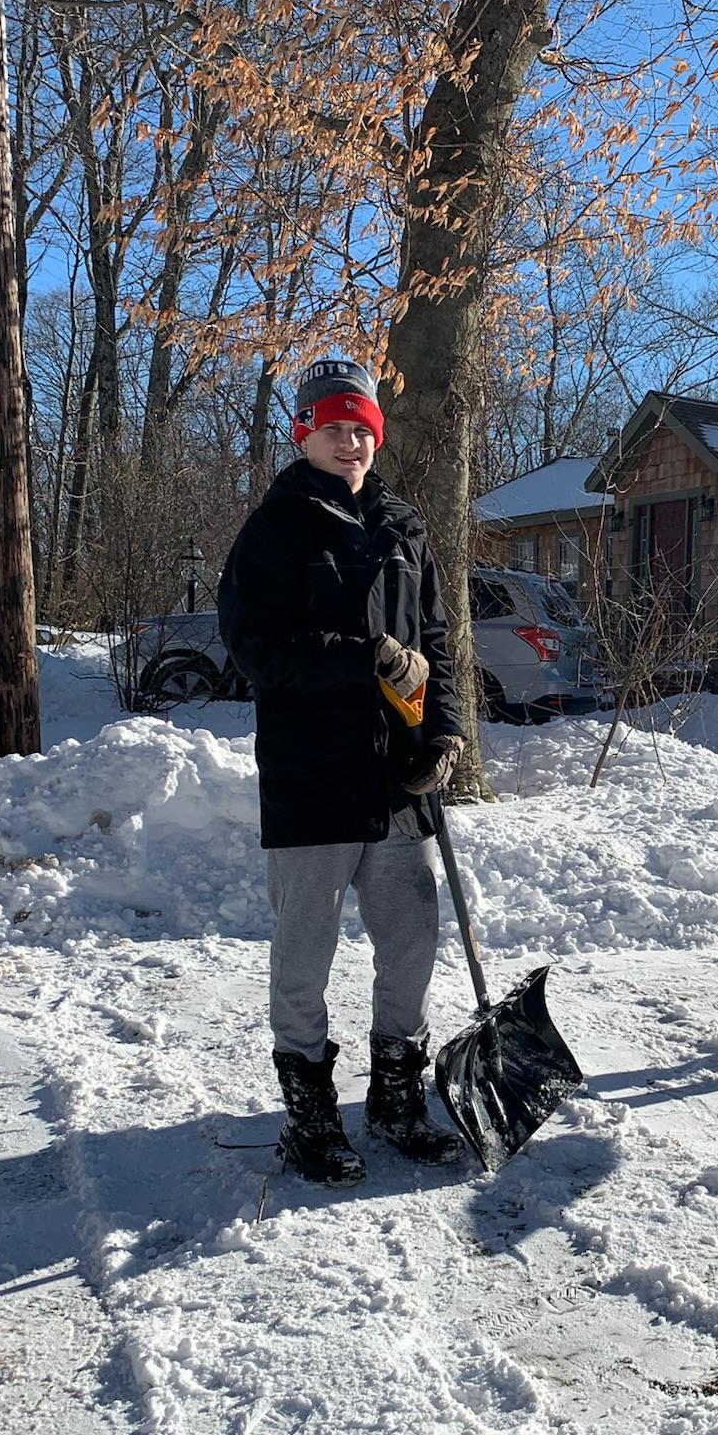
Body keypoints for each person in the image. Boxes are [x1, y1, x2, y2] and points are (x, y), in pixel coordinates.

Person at [218, 357, 467, 1183]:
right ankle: (310, 1113)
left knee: (411, 940)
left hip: (396, 778)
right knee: (304, 950)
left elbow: (437, 642)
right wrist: (362, 660)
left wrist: (445, 737)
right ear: (304, 433)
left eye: (362, 428)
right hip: (311, 775)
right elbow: (255, 648)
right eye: (334, 427)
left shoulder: (402, 523)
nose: (350, 441)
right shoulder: (277, 526)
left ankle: (397, 1096)